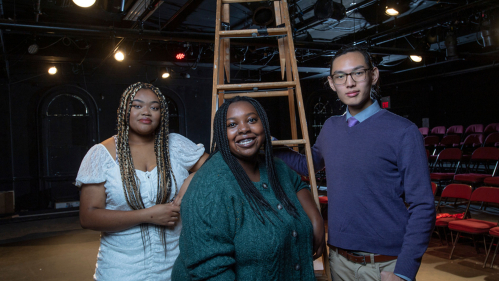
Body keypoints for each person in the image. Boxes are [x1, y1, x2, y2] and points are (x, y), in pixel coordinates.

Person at [274, 46, 436, 281]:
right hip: (339, 260)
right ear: (332, 83)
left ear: (374, 75)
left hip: (384, 264)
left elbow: (422, 205)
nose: (349, 83)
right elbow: (309, 164)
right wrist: (271, 146)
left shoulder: (403, 131)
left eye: (358, 73)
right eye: (341, 76)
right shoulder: (331, 127)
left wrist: (404, 271)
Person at [171, 96, 324, 280]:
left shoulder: (275, 166)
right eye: (232, 125)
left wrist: (316, 220)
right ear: (221, 133)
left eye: (252, 120)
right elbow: (210, 270)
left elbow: (298, 184)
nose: (244, 129)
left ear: (264, 125)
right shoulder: (209, 187)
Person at [75, 82, 208, 280]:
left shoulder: (176, 145)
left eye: (154, 107)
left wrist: (189, 182)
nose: (146, 112)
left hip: (176, 267)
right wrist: (148, 215)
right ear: (124, 111)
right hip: (120, 270)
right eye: (137, 106)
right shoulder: (101, 154)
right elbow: (88, 217)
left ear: (161, 114)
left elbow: (214, 168)